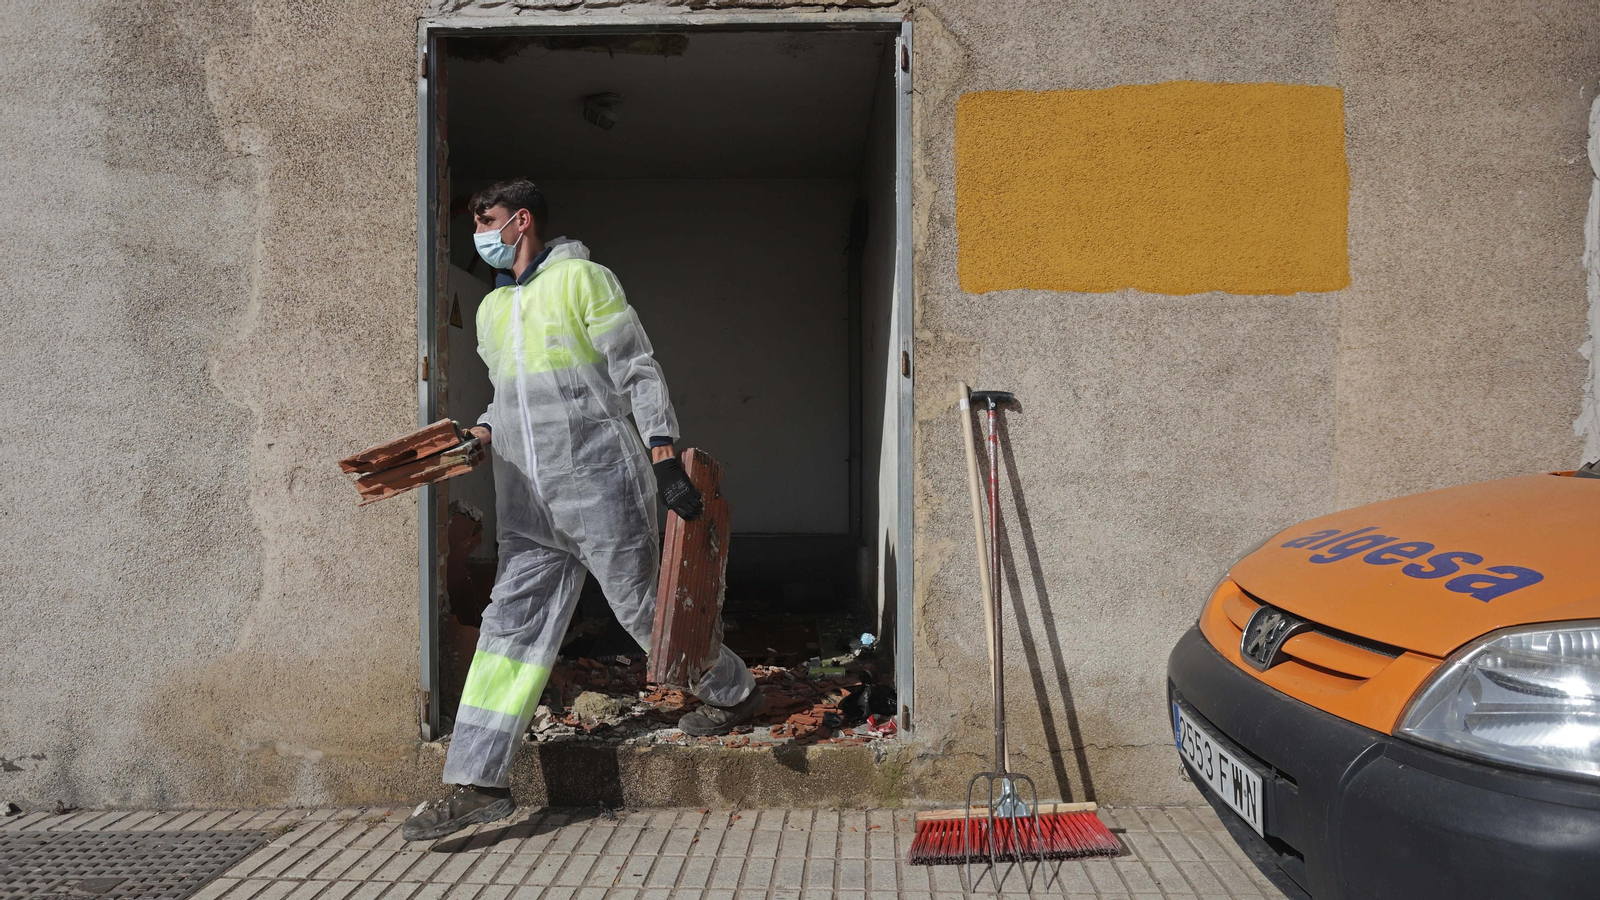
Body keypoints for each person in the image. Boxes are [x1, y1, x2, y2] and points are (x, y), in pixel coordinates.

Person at [402, 179, 763, 841]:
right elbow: (508, 398)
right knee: (507, 633)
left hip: (600, 484)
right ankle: (479, 782)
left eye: (487, 220)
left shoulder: (583, 280)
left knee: (642, 609)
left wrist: (663, 455)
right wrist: (480, 434)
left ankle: (733, 690)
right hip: (527, 501)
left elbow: (636, 368)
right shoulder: (492, 308)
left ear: (522, 220)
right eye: (476, 223)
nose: (479, 234)